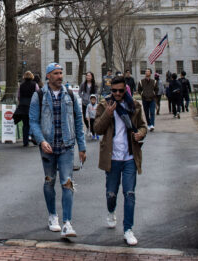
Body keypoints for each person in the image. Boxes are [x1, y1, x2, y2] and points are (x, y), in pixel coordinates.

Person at [29, 62, 87, 238]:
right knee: (49, 181)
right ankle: (52, 215)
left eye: (61, 73)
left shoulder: (70, 95)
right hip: (48, 148)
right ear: (48, 76)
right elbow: (33, 121)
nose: (60, 76)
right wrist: (41, 140)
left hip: (66, 146)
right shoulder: (39, 96)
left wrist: (82, 147)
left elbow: (78, 120)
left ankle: (67, 223)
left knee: (67, 183)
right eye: (55, 73)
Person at [92, 76, 148, 246]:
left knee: (129, 193)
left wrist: (141, 133)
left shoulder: (134, 106)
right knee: (111, 193)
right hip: (112, 157)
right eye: (114, 90)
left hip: (130, 156)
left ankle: (128, 229)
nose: (117, 93)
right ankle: (111, 210)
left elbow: (143, 126)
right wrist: (108, 115)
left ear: (126, 90)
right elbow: (97, 129)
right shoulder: (104, 105)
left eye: (120, 91)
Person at [15, 71, 39, 147]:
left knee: (25, 124)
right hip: (32, 106)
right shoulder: (35, 85)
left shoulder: (21, 85)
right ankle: (33, 137)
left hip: (23, 107)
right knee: (33, 123)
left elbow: (18, 96)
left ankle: (25, 142)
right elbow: (38, 94)